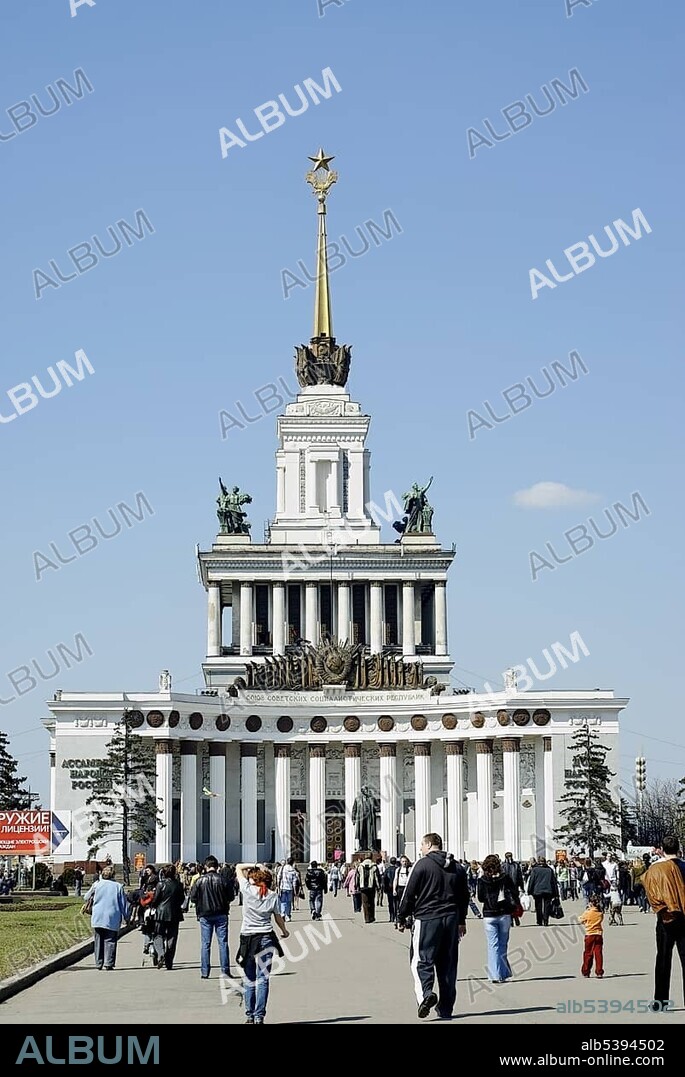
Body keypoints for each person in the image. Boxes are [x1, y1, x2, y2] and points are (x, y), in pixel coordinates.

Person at [397, 833, 470, 1021]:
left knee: (422, 959)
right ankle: (446, 1008)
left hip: (427, 918)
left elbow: (409, 893)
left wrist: (401, 916)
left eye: (421, 845)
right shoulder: (458, 867)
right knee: (448, 964)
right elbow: (464, 896)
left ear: (429, 844)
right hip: (452, 919)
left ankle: (425, 995)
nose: (420, 848)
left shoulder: (422, 865)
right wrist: (461, 920)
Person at [235, 864, 290, 1024]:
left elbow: (238, 867)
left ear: (255, 879)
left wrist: (255, 865)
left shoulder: (247, 890)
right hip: (266, 938)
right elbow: (278, 917)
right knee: (263, 979)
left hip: (248, 938)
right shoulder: (272, 896)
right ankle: (259, 1016)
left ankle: (249, 1015)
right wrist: (284, 931)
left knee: (249, 978)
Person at [642, 834, 685, 1010]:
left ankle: (661, 1002)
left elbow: (649, 891)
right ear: (678, 848)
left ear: (663, 848)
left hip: (666, 918)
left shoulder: (656, 868)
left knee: (663, 959)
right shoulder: (684, 866)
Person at [189, 854, 235, 979]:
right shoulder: (223, 880)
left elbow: (193, 898)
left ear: (206, 866)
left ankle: (205, 971)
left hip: (205, 914)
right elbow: (231, 896)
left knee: (205, 943)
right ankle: (225, 970)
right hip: (221, 913)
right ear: (217, 866)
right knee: (223, 943)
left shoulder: (199, 881)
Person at [477, 854, 519, 983]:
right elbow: (514, 892)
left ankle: (495, 975)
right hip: (504, 914)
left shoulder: (482, 880)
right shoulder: (505, 878)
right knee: (502, 944)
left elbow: (481, 898)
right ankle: (502, 973)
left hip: (489, 915)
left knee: (492, 945)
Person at [82, 865, 130, 971]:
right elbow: (123, 904)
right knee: (110, 940)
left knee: (98, 940)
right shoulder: (118, 886)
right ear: (113, 875)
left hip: (97, 916)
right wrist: (127, 917)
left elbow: (85, 897)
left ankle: (98, 963)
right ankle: (109, 963)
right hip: (112, 917)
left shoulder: (97, 884)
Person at [151, 863, 185, 970]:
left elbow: (156, 899)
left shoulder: (160, 884)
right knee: (172, 938)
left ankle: (161, 954)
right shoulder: (179, 885)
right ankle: (169, 962)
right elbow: (182, 899)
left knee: (158, 935)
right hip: (175, 914)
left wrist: (153, 906)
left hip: (161, 913)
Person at [527, 856, 559, 926]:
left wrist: (529, 890)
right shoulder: (549, 870)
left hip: (537, 890)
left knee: (538, 906)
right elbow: (553, 882)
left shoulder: (535, 870)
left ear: (538, 862)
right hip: (548, 890)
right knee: (547, 906)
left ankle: (539, 920)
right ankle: (546, 920)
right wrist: (556, 893)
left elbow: (531, 880)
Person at [579, 894, 604, 978]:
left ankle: (586, 971)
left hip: (589, 934)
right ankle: (599, 971)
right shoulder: (600, 913)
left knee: (588, 953)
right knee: (598, 953)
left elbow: (581, 919)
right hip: (598, 934)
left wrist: (588, 910)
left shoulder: (588, 912)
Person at [356, 854, 381, 924]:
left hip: (363, 887)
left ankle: (367, 918)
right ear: (371, 857)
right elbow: (377, 877)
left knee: (365, 903)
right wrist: (378, 886)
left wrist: (357, 886)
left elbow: (357, 877)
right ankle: (372, 917)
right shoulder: (374, 866)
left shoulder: (360, 866)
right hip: (371, 887)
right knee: (371, 902)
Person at [393, 855, 412, 928]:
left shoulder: (409, 869)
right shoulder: (398, 870)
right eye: (403, 861)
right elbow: (395, 879)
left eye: (405, 861)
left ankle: (408, 920)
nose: (404, 863)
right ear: (400, 862)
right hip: (400, 888)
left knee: (407, 903)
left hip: (407, 888)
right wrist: (394, 889)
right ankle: (399, 920)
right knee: (399, 904)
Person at [384, 857, 399, 923]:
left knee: (390, 903)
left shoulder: (387, 870)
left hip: (389, 888)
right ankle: (396, 916)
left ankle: (391, 917)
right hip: (396, 888)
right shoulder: (398, 869)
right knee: (396, 903)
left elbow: (384, 879)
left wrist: (385, 888)